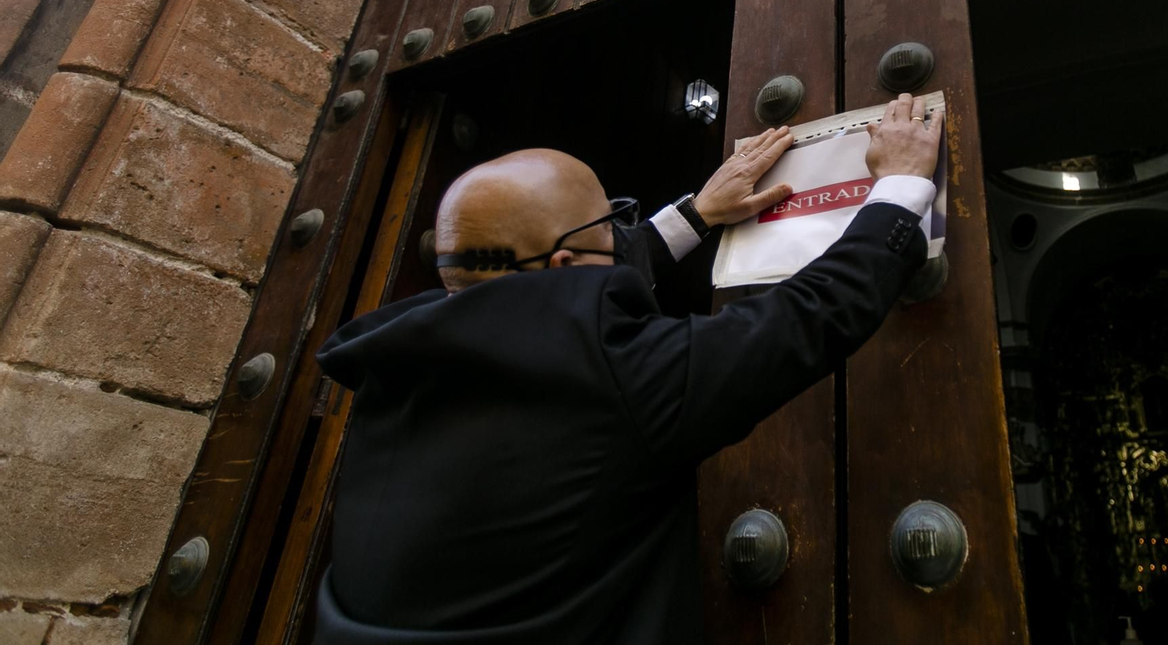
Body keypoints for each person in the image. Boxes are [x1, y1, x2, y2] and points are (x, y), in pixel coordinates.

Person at [312, 93, 946, 644]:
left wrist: (695, 215)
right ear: (562, 266)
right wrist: (899, 188)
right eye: (610, 223)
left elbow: (554, 280)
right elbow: (810, 317)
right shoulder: (615, 381)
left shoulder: (397, 366)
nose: (622, 233)